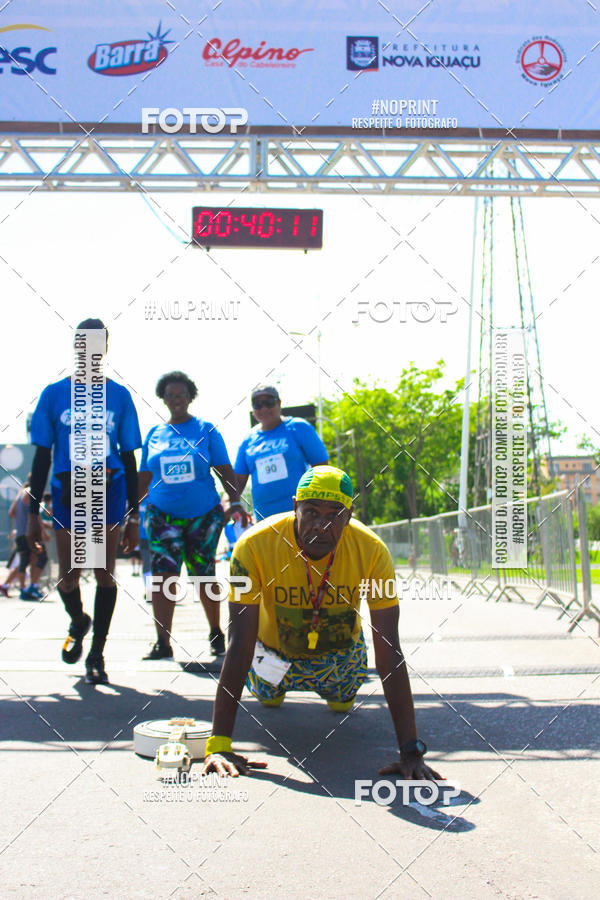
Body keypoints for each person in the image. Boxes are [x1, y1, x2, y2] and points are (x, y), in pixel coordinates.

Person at [202, 465, 442, 782]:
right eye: (311, 512)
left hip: (339, 658)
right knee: (268, 695)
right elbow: (239, 645)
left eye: (334, 514)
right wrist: (218, 744)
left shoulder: (372, 552)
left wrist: (411, 750)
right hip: (274, 654)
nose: (321, 525)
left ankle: (338, 691)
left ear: (349, 515)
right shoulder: (253, 546)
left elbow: (389, 651)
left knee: (342, 702)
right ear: (294, 508)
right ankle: (274, 687)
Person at [26, 318, 141, 684]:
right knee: (70, 576)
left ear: (105, 348)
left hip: (108, 488)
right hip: (68, 491)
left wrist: (134, 516)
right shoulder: (53, 394)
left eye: (96, 343)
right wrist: (32, 513)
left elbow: (129, 457)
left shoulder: (120, 396)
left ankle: (96, 655)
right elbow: (42, 456)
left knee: (105, 573)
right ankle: (78, 621)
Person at [138, 371, 248, 661]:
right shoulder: (154, 435)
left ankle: (216, 632)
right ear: (163, 399)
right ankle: (163, 641)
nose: (176, 399)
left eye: (181, 394)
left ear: (190, 397)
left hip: (203, 516)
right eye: (170, 395)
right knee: (163, 578)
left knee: (204, 575)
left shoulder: (205, 429)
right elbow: (143, 478)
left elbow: (225, 470)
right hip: (162, 516)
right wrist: (130, 516)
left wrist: (235, 502)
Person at [234, 385, 328, 521]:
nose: (264, 408)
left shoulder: (298, 427)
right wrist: (230, 504)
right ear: (253, 411)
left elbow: (322, 467)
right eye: (258, 405)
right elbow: (238, 481)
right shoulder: (248, 440)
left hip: (301, 516)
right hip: (265, 520)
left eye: (269, 402)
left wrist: (318, 505)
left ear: (279, 403)